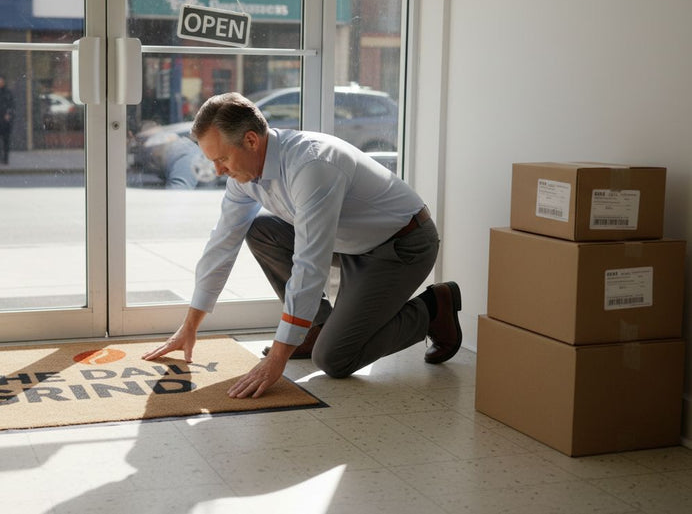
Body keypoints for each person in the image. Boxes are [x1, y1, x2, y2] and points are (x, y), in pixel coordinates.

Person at [142, 92, 462, 399]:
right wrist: (190, 326)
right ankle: (314, 327)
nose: (218, 170)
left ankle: (434, 309)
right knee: (260, 229)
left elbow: (310, 263)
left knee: (335, 359)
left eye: (222, 158)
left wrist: (279, 356)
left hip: (401, 245)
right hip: (350, 244)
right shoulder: (244, 178)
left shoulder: (312, 166)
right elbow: (221, 244)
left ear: (251, 140)